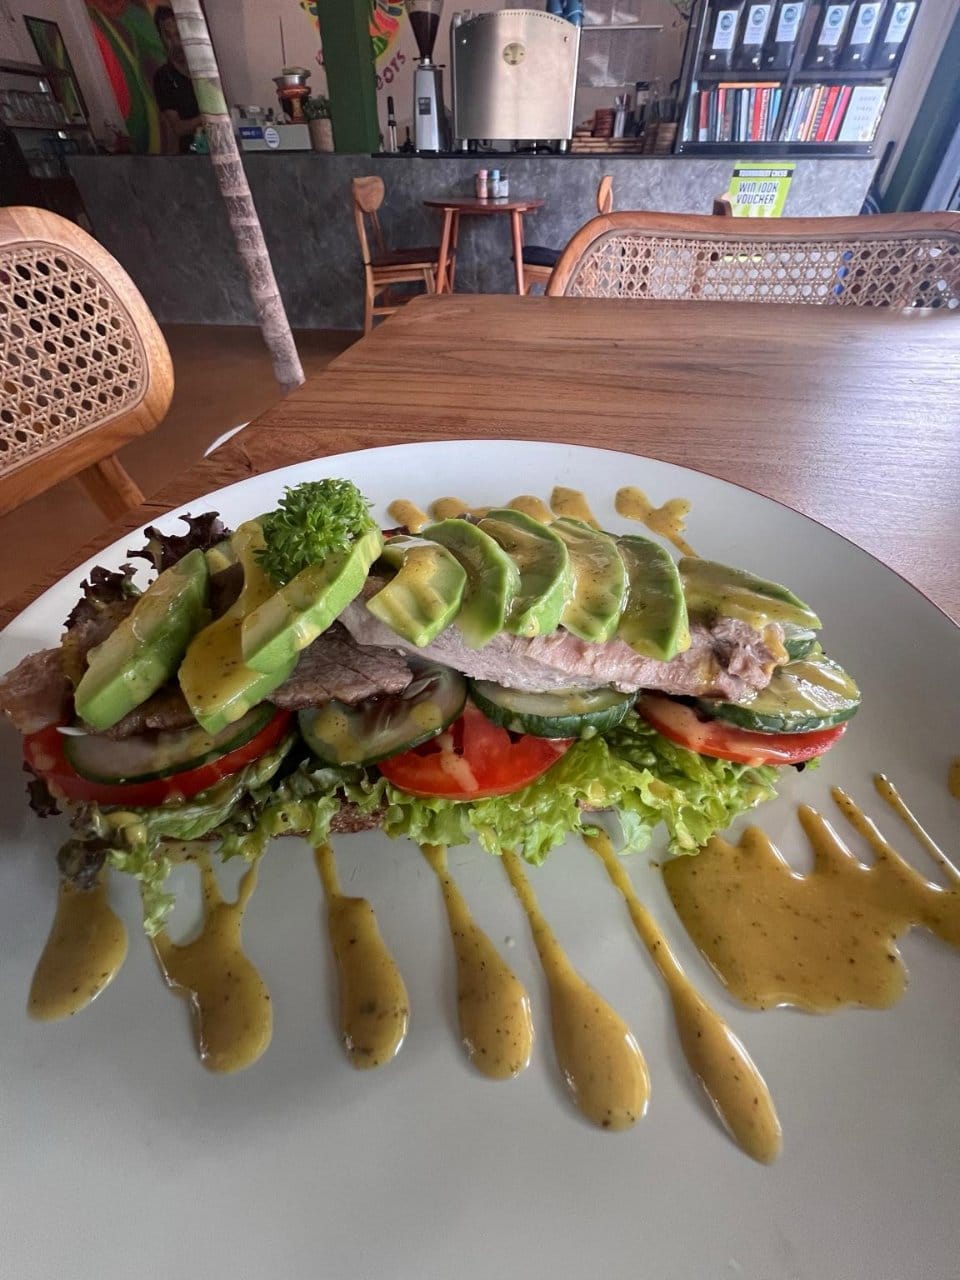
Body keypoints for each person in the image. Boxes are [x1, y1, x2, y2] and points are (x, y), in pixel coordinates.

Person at [153, 5, 202, 154]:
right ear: (161, 38)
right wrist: (208, 118)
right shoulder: (163, 77)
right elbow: (178, 128)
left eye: (178, 34)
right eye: (168, 36)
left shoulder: (205, 68)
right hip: (191, 155)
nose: (175, 42)